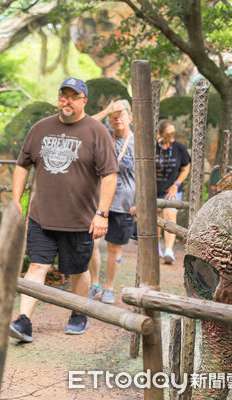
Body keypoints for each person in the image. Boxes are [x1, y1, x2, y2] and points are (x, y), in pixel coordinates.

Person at [9, 78, 118, 340]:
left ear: (84, 101)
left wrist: (102, 213)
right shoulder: (40, 128)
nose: (67, 100)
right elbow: (22, 165)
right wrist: (16, 202)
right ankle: (24, 320)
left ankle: (78, 312)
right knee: (36, 267)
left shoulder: (96, 132)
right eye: (63, 95)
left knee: (77, 271)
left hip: (80, 220)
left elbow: (110, 175)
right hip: (42, 216)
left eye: (73, 96)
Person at [87, 100, 136, 304]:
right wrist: (107, 109)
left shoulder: (138, 143)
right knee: (91, 242)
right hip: (100, 201)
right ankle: (94, 283)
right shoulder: (105, 136)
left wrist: (139, 202)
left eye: (121, 114)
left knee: (115, 248)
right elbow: (86, 124)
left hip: (125, 204)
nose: (117, 118)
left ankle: (109, 288)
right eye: (113, 116)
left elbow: (146, 175)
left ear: (130, 118)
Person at [156, 119, 190, 264]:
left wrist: (176, 184)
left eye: (173, 133)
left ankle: (169, 250)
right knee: (155, 218)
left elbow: (185, 168)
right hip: (155, 189)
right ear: (160, 134)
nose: (172, 136)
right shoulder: (154, 147)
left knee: (169, 213)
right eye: (168, 134)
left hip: (172, 190)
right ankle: (155, 247)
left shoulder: (179, 148)